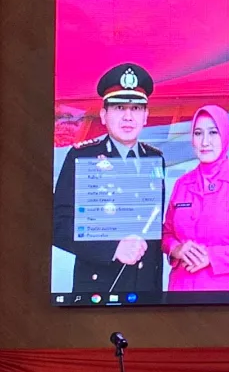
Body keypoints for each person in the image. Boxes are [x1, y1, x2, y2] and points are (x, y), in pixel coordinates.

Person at [53, 63, 165, 294]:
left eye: (136, 108)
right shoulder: (82, 157)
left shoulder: (155, 159)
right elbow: (57, 225)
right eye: (119, 107)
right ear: (104, 115)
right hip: (99, 288)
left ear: (146, 116)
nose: (128, 117)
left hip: (146, 289)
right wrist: (112, 249)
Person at [161, 104, 229, 291]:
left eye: (213, 133)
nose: (205, 142)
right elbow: (167, 233)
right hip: (181, 291)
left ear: (226, 135)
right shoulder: (182, 184)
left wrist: (212, 257)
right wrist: (175, 248)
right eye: (198, 133)